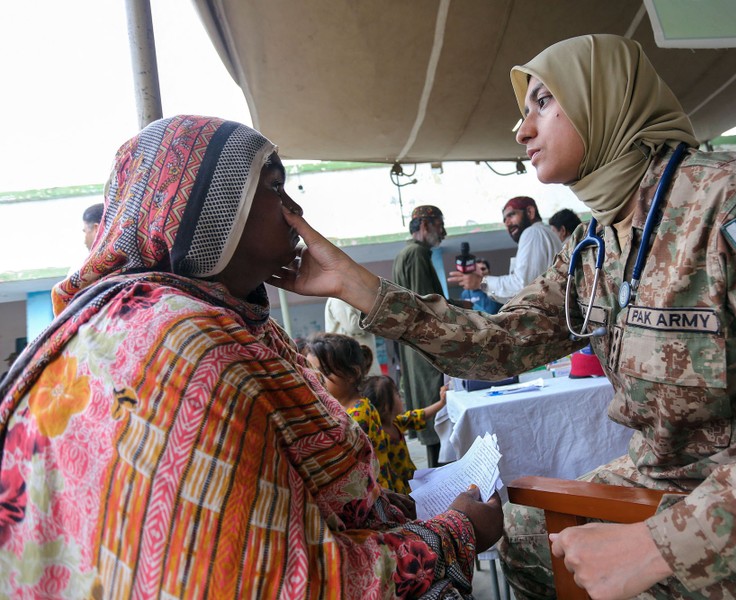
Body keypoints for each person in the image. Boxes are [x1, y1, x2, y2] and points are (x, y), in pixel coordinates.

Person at [270, 35, 736, 600]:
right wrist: (361, 288)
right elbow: (496, 345)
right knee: (514, 529)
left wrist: (659, 544)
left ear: (607, 100)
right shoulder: (597, 243)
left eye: (542, 101)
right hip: (664, 485)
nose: (521, 130)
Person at [0, 115, 502, 598]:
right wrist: (455, 534)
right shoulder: (184, 341)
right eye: (273, 187)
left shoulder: (222, 321)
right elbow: (276, 582)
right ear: (213, 203)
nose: (294, 210)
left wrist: (375, 505)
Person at [304, 332, 400, 490]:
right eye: (310, 373)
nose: (314, 380)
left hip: (375, 492)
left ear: (352, 374)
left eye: (323, 373)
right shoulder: (351, 406)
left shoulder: (357, 414)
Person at [391, 204, 448, 467]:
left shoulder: (410, 253)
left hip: (416, 349)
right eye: (439, 225)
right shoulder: (416, 254)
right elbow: (429, 307)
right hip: (426, 349)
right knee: (436, 411)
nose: (443, 232)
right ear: (425, 226)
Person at [448, 196, 561, 303]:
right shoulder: (547, 234)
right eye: (504, 220)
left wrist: (480, 282)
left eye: (511, 215)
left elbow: (523, 285)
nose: (507, 223)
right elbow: (515, 296)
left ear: (530, 212)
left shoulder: (532, 232)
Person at [361, 375, 447, 494]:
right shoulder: (380, 437)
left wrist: (441, 403)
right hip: (399, 490)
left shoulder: (396, 422)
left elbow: (418, 416)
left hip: (411, 480)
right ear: (386, 407)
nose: (400, 397)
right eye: (396, 394)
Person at [324, 296, 382, 375]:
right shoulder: (339, 299)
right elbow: (353, 326)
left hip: (360, 361)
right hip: (354, 363)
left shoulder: (345, 297)